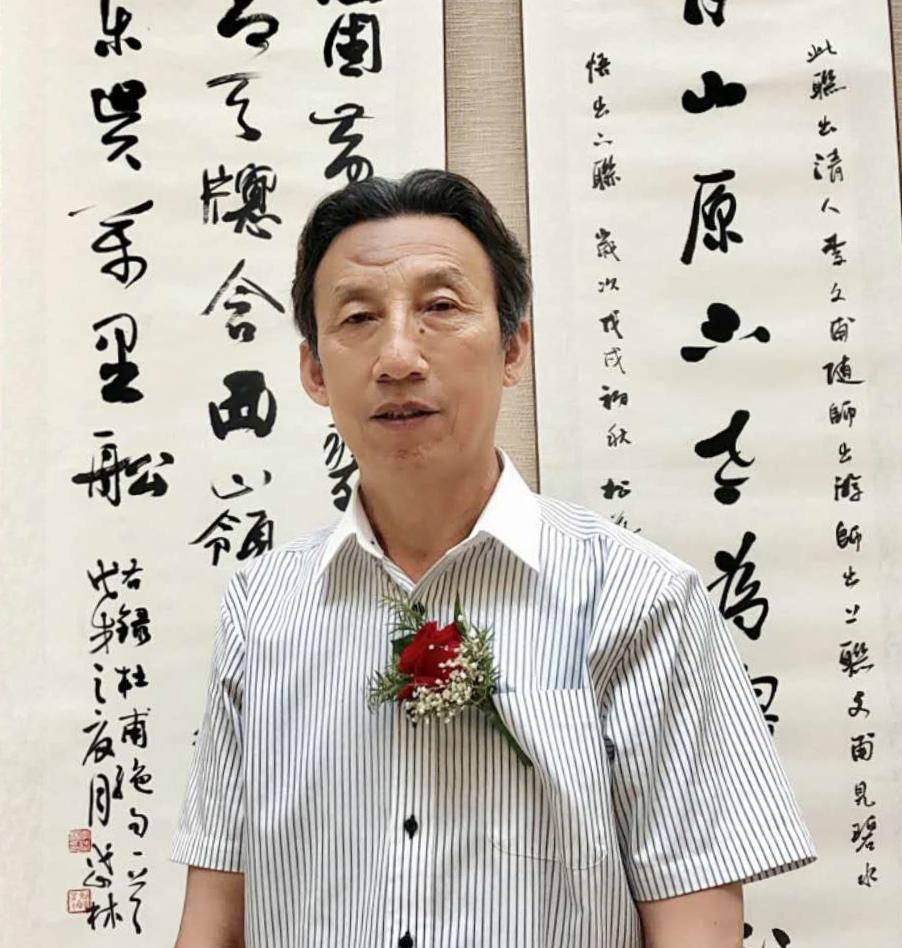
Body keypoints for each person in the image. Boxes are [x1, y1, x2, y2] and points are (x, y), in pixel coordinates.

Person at [170, 168, 816, 948]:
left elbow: (695, 929)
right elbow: (214, 923)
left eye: (440, 307)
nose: (398, 356)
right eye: (359, 318)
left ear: (513, 348)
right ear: (314, 370)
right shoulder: (262, 607)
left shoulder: (641, 600)